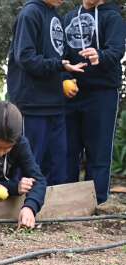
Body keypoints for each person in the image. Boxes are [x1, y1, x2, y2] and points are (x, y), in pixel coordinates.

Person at [7, 0, 86, 185]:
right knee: (29, 165)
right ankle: (24, 209)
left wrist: (65, 76)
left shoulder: (55, 16)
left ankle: (54, 211)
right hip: (32, 105)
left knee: (58, 165)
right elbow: (25, 58)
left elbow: (60, 55)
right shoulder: (30, 13)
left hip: (55, 105)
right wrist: (59, 65)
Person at [62, 0, 125, 204]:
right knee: (68, 149)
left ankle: (96, 201)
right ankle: (67, 199)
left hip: (102, 92)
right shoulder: (69, 18)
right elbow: (60, 53)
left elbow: (117, 50)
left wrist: (101, 55)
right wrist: (63, 78)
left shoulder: (112, 17)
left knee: (98, 150)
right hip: (72, 91)